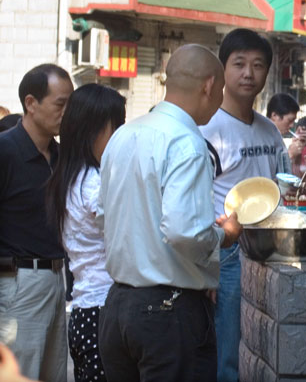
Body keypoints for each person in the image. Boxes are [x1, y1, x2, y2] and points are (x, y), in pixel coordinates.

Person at [98, 44, 242, 382]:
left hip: (118, 307)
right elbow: (184, 232)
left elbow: (105, 217)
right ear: (209, 85)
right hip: (167, 314)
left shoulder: (123, 135)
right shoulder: (186, 142)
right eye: (220, 89)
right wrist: (225, 235)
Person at [198, 29, 289, 382]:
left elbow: (283, 185)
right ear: (222, 70)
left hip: (270, 251)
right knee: (228, 353)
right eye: (239, 64)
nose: (249, 73)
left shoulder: (269, 131)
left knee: (261, 346)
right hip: (229, 255)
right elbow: (197, 199)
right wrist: (208, 264)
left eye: (258, 65)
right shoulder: (208, 130)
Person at [44, 84, 126, 382]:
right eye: (115, 127)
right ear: (91, 129)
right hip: (103, 309)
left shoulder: (69, 176)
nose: (120, 136)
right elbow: (127, 232)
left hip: (85, 309)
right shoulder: (93, 183)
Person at [0, 64, 73, 382]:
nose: (67, 112)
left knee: (51, 375)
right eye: (61, 104)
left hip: (56, 282)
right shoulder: (5, 151)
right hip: (17, 283)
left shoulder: (61, 157)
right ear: (31, 103)